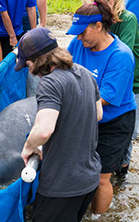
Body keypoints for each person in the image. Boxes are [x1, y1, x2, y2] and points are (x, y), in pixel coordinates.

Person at [17, 27, 102, 221]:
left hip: (61, 186)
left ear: (35, 61)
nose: (29, 70)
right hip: (88, 179)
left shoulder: (50, 83)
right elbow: (98, 114)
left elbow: (44, 130)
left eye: (27, 64)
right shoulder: (84, 72)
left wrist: (29, 146)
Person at [66, 0, 136, 214]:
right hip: (85, 115)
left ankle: (99, 217)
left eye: (82, 31)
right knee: (79, 168)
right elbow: (62, 68)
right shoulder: (78, 43)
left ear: (98, 26)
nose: (78, 37)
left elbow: (104, 99)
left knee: (101, 175)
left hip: (114, 121)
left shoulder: (121, 55)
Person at [83, 0, 139, 177]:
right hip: (99, 95)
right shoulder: (85, 36)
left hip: (128, 85)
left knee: (122, 143)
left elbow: (124, 54)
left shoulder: (127, 20)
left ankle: (121, 172)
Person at [0, 0, 37, 69]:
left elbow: (31, 7)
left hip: (15, 28)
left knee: (9, 64)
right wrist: (12, 36)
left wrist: (34, 33)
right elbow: (3, 13)